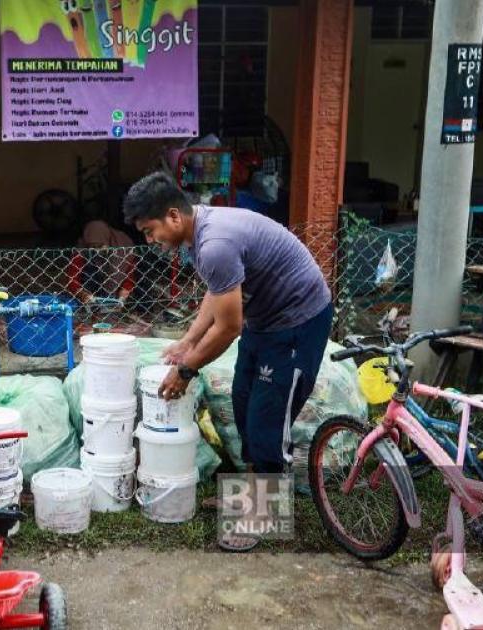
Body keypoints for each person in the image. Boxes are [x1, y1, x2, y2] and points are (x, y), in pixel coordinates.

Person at [123, 172, 333, 552]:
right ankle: (250, 495)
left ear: (173, 216)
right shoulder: (199, 232)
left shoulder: (214, 243)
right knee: (243, 403)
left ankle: (261, 516)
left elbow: (229, 326)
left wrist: (186, 370)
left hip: (298, 323)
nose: (150, 240)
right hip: (265, 322)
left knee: (267, 421)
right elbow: (218, 291)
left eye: (150, 231)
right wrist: (187, 341)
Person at [68, 219, 136, 305]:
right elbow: (72, 278)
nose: (96, 250)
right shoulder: (82, 248)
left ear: (107, 239)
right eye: (92, 246)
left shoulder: (123, 247)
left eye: (99, 246)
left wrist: (123, 294)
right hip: (90, 292)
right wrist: (82, 294)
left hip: (116, 291)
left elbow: (130, 275)